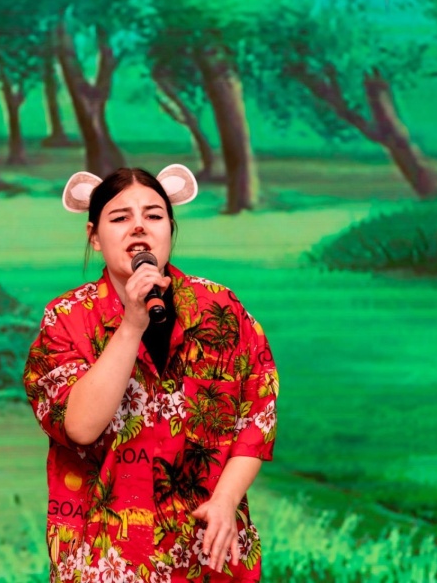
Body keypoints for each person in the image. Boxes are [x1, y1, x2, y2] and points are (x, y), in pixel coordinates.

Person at [23, 164, 279, 582]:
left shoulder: (220, 308)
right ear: (94, 235)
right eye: (120, 217)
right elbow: (80, 427)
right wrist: (131, 325)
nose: (139, 227)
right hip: (107, 557)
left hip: (208, 552)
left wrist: (226, 500)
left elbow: (257, 417)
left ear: (170, 230)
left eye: (154, 215)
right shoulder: (66, 319)